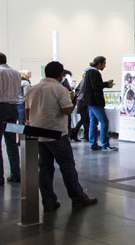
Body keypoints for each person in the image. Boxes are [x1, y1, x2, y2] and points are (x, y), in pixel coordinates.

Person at [25, 61, 98, 211]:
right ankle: (78, 197)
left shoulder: (33, 89)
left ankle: (48, 202)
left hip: (38, 133)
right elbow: (67, 110)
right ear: (60, 74)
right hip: (56, 132)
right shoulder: (59, 89)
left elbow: (27, 112)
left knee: (44, 168)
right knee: (67, 166)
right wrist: (71, 100)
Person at [83, 56, 116, 151]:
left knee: (93, 122)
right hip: (95, 102)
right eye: (104, 64)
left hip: (90, 102)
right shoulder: (94, 72)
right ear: (99, 63)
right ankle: (105, 144)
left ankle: (93, 144)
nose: (105, 66)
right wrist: (106, 83)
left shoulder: (88, 72)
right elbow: (95, 86)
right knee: (104, 122)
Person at [0, 52, 21, 185]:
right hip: (14, 108)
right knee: (12, 142)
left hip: (0, 107)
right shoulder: (16, 72)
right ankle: (15, 173)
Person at [70, 72, 90, 142]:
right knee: (84, 119)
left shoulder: (83, 81)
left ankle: (86, 135)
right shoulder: (86, 82)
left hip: (80, 101)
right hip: (83, 102)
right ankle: (74, 133)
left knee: (85, 119)